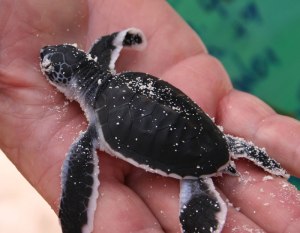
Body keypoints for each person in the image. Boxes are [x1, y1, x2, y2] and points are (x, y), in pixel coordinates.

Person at [0, 1, 299, 232]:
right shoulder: (117, 77)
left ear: (65, 82)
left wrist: (75, 218)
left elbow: (77, 180)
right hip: (207, 134)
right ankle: (229, 151)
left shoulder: (94, 133)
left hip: (188, 152)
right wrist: (122, 38)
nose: (45, 58)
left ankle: (201, 189)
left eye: (50, 70)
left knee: (81, 170)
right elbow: (107, 46)